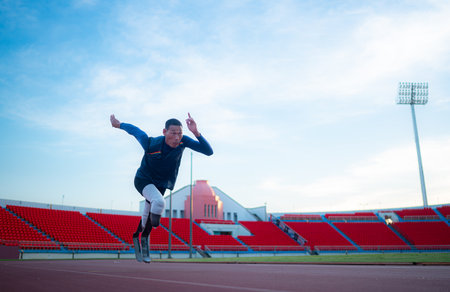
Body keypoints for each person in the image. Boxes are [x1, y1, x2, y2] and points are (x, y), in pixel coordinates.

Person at [110, 113, 213, 263]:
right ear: (164, 132)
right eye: (173, 133)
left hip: (161, 184)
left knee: (147, 216)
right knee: (158, 203)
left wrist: (196, 132)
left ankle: (141, 236)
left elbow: (208, 151)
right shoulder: (151, 144)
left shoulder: (183, 141)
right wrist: (119, 124)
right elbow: (136, 131)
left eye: (180, 133)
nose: (177, 138)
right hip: (143, 180)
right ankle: (149, 229)